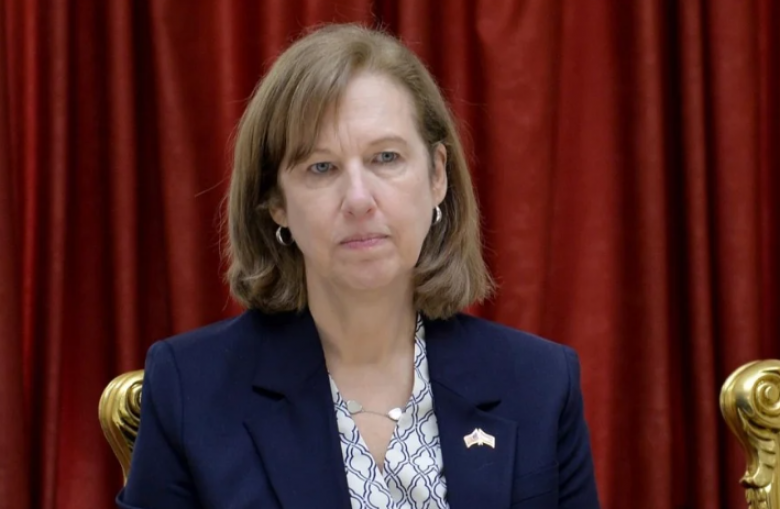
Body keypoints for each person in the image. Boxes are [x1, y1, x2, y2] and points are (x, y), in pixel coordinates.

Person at [117, 23, 600, 509]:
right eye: (321, 167)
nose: (358, 199)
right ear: (276, 202)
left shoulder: (539, 382)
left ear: (437, 175)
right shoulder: (191, 388)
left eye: (385, 158)